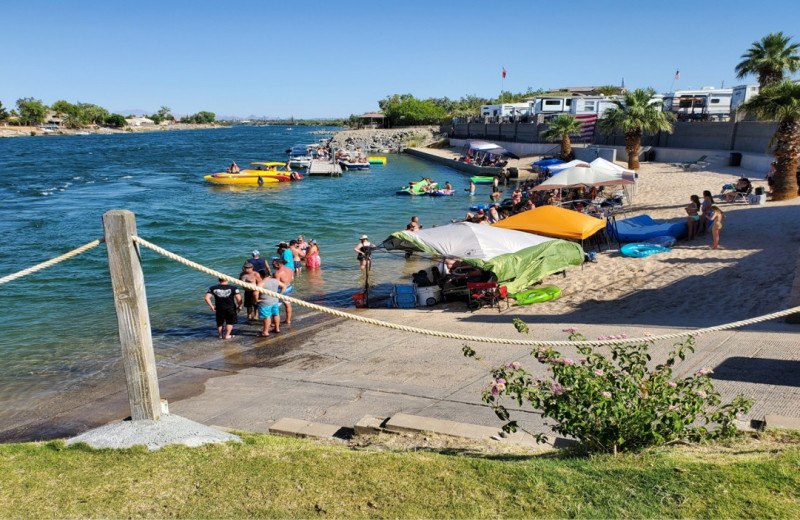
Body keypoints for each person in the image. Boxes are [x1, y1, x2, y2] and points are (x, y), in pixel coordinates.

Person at [272, 257, 294, 325]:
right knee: (287, 304)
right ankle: (288, 320)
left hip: (281, 290)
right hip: (289, 287)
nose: (272, 265)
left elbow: (277, 284)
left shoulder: (277, 273)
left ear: (278, 264)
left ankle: (274, 322)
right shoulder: (290, 269)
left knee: (275, 307)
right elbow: (292, 278)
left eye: (273, 264)